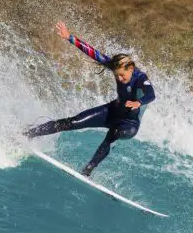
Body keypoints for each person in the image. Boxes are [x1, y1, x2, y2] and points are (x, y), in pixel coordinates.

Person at [23, 21, 156, 176]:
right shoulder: (117, 67)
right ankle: (29, 133)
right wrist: (70, 37)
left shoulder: (140, 78)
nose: (119, 78)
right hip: (112, 111)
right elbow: (94, 53)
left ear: (131, 69)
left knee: (114, 133)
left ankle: (88, 170)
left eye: (122, 75)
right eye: (116, 75)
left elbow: (151, 94)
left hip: (129, 123)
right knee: (72, 122)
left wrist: (138, 102)